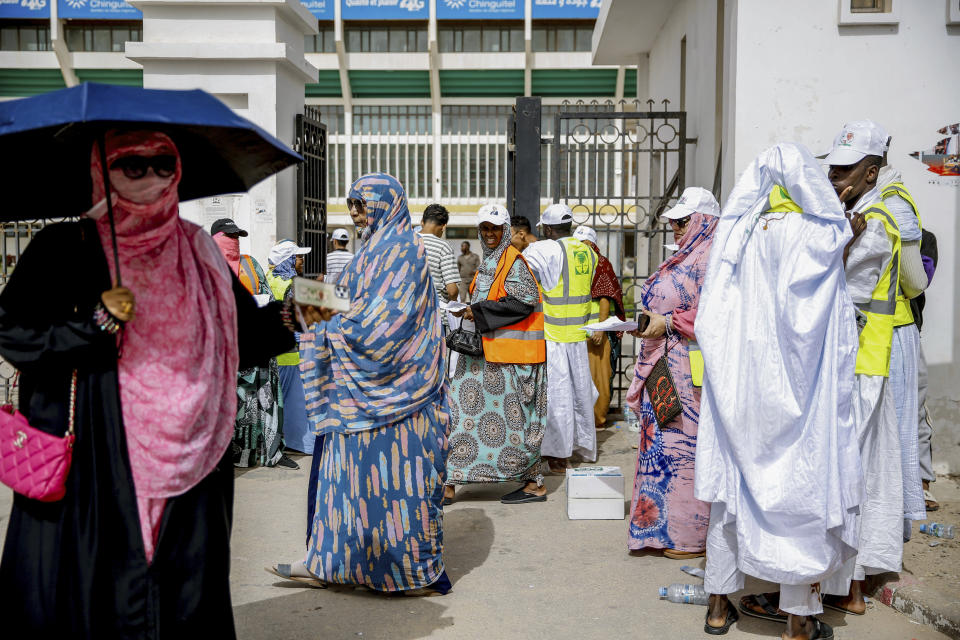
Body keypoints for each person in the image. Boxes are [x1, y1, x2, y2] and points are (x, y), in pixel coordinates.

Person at [0, 130, 303, 636]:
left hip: (193, 451)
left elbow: (242, 332)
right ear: (103, 171)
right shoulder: (65, 248)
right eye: (133, 165)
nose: (152, 177)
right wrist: (94, 325)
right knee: (100, 583)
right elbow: (15, 334)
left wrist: (298, 312)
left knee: (183, 586)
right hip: (99, 450)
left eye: (163, 165)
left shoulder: (199, 253)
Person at [696, 143, 861, 639]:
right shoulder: (819, 233)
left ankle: (719, 609)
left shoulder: (738, 233)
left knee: (730, 498)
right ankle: (798, 623)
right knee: (801, 501)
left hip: (741, 394)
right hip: (800, 400)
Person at [271, 173, 451, 595]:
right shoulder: (370, 252)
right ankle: (330, 563)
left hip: (402, 397)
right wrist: (299, 303)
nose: (354, 213)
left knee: (399, 491)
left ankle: (405, 574)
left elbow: (381, 329)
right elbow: (346, 299)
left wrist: (310, 305)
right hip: (360, 397)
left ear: (387, 204)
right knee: (348, 486)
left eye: (361, 204)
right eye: (351, 204)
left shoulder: (405, 252)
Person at [812, 121, 926, 616]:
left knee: (852, 467)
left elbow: (845, 290)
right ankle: (852, 580)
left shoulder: (877, 221)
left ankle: (851, 583)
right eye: (832, 168)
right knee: (864, 465)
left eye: (844, 169)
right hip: (861, 357)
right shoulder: (857, 212)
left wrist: (836, 247)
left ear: (871, 170)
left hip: (864, 359)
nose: (834, 177)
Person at [622, 187, 719, 560]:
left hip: (688, 367)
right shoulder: (687, 255)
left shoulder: (712, 257)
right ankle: (656, 528)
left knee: (683, 450)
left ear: (702, 222)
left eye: (682, 221)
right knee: (661, 445)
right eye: (674, 222)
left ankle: (687, 535)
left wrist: (669, 321)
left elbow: (716, 313)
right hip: (666, 364)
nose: (675, 228)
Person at [443, 204, 547, 505]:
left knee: (513, 425)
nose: (490, 234)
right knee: (466, 417)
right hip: (488, 356)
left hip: (510, 359)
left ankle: (532, 483)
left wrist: (477, 311)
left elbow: (525, 300)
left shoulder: (512, 260)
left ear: (505, 231)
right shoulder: (492, 261)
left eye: (495, 228)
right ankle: (453, 481)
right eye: (485, 228)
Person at [211, 219, 297, 470]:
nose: (234, 242)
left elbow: (267, 294)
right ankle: (232, 455)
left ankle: (271, 452)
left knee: (265, 401)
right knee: (233, 405)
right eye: (229, 236)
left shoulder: (250, 263)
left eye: (237, 236)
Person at [522, 203, 598, 472]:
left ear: (548, 228)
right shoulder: (588, 252)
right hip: (578, 336)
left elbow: (524, 274)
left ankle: (557, 455)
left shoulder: (544, 249)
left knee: (558, 398)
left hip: (554, 336)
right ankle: (581, 445)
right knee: (580, 395)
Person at [573, 224, 625, 430]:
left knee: (598, 379)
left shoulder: (599, 263)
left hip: (595, 331)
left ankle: (597, 422)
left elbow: (605, 298)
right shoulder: (574, 262)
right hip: (578, 330)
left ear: (593, 244)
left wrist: (600, 328)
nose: (582, 248)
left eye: (585, 244)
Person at [267, 239, 314, 456]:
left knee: (276, 403)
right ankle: (300, 445)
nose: (302, 260)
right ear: (288, 260)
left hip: (272, 354)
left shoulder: (268, 280)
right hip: (290, 355)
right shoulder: (290, 285)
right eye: (298, 257)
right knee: (296, 406)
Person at [915, 228, 939, 511]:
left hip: (906, 332)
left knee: (916, 411)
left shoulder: (923, 238)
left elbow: (919, 281)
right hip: (861, 331)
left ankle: (922, 483)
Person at [419, 203, 461, 332]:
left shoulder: (406, 242)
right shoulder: (443, 247)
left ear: (422, 222)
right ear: (443, 227)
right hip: (434, 316)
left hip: (408, 315)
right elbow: (452, 290)